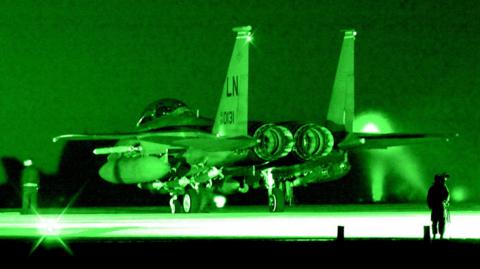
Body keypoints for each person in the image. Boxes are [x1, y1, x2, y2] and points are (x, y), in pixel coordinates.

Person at [427, 173, 450, 239]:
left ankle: (436, 235)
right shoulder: (442, 187)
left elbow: (429, 197)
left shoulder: (433, 188)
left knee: (435, 221)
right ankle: (440, 235)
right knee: (440, 222)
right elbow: (447, 195)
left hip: (436, 207)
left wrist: (430, 205)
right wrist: (446, 202)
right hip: (439, 206)